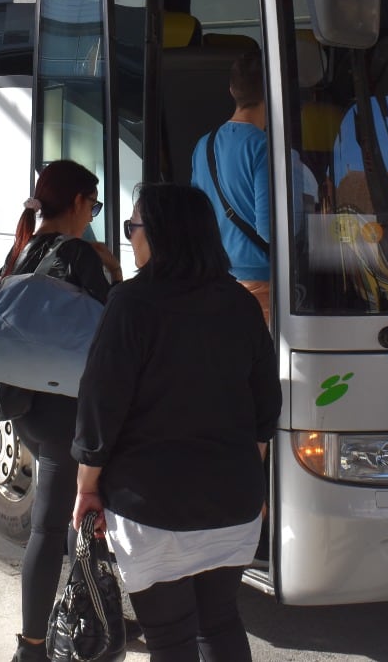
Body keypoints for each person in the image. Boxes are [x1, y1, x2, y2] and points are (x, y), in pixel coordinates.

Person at [72, 183, 281, 662]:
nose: (129, 237)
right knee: (221, 622)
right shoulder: (241, 303)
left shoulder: (131, 303)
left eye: (133, 227)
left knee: (169, 637)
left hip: (153, 510)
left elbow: (100, 408)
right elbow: (266, 405)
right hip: (233, 504)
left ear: (160, 233)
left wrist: (86, 487)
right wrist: (248, 471)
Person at [1, 159, 123, 662]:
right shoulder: (78, 254)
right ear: (76, 203)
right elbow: (111, 327)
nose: (92, 214)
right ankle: (39, 642)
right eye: (92, 205)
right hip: (69, 409)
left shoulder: (22, 250)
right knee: (57, 526)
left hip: (29, 408)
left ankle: (53, 630)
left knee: (60, 523)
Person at [190, 49, 272, 322]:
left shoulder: (204, 144)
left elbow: (197, 217)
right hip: (261, 287)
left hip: (218, 280)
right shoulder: (263, 148)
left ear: (231, 90)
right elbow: (270, 230)